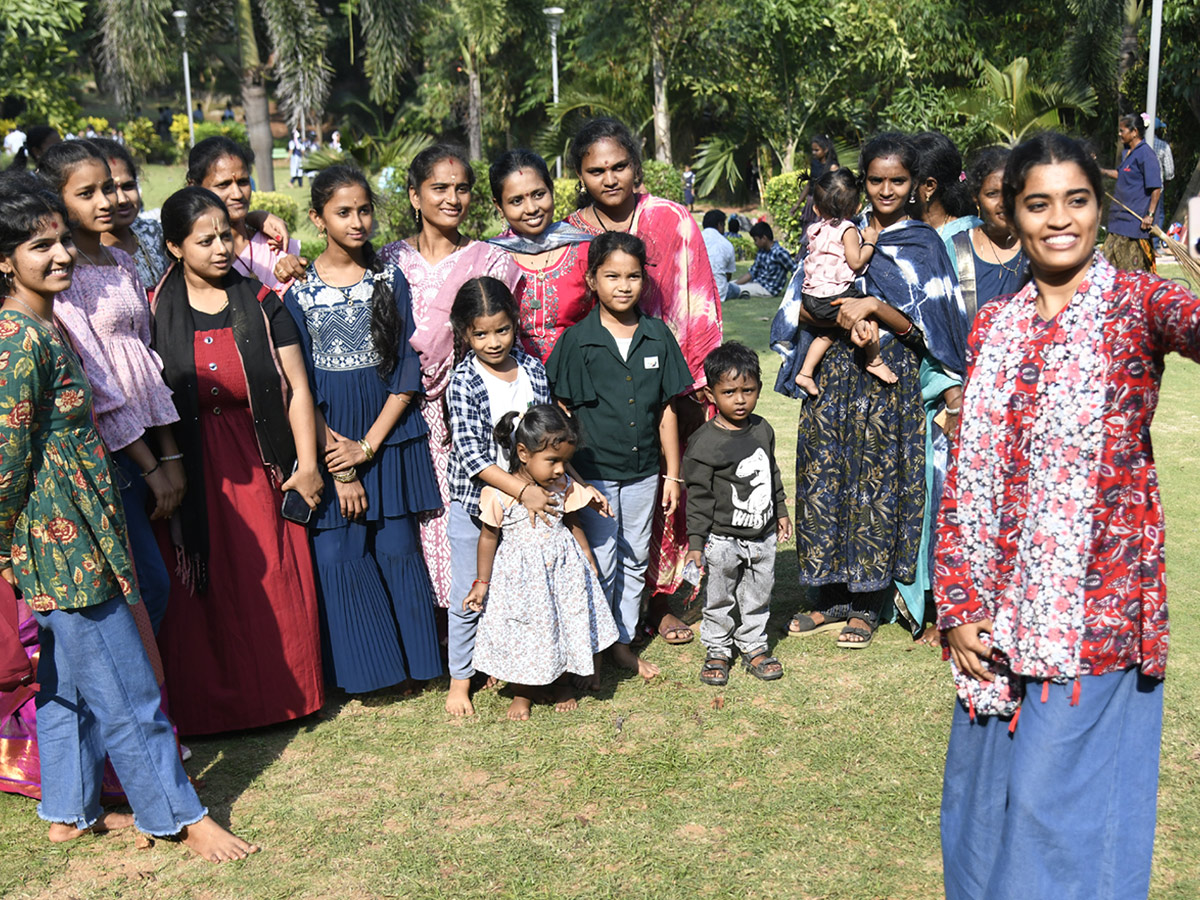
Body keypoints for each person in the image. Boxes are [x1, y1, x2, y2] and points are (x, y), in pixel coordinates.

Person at [936, 131, 1200, 900]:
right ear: (1010, 213)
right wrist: (957, 605)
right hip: (994, 618)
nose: (1059, 219)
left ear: (1101, 209)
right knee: (978, 820)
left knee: (1063, 823)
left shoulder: (1138, 304)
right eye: (1038, 202)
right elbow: (968, 474)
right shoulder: (997, 324)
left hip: (1094, 615)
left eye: (1077, 201)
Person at [0, 174, 257, 862]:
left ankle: (67, 812)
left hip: (79, 529)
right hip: (62, 543)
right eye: (38, 245)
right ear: (4, 261)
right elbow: (4, 462)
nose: (59, 255)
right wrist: (10, 551)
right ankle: (179, 814)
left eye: (60, 240)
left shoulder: (40, 325)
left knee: (66, 684)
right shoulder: (18, 342)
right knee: (128, 683)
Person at [152, 186, 325, 734]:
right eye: (205, 241)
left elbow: (297, 387)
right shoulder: (156, 309)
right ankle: (210, 707)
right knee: (205, 585)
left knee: (270, 574)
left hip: (260, 459)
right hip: (195, 464)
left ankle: (283, 697)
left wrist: (308, 463)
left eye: (225, 235)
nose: (221, 248)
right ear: (176, 247)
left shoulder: (262, 300)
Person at [781, 133, 966, 647]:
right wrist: (833, 314)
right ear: (862, 181)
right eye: (876, 180)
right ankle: (829, 598)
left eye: (898, 181)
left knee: (875, 484)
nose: (887, 190)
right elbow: (798, 300)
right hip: (831, 376)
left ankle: (867, 604)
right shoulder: (835, 230)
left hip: (888, 379)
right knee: (825, 479)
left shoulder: (922, 244)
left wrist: (877, 310)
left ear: (917, 187)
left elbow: (934, 328)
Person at [284, 166, 443, 694]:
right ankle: (362, 673)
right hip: (329, 440)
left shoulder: (387, 279)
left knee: (398, 545)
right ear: (317, 218)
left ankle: (418, 667)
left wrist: (369, 445)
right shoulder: (298, 294)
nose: (358, 222)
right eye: (343, 212)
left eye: (364, 210)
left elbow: (404, 371)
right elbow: (300, 385)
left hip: (389, 437)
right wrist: (341, 461)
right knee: (338, 551)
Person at [564, 117, 722, 643]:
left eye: (619, 166)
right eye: (596, 170)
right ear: (580, 176)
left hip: (668, 379)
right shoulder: (568, 234)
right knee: (605, 507)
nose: (610, 178)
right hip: (598, 386)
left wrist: (695, 378)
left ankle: (659, 599)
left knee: (663, 494)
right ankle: (596, 620)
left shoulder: (672, 220)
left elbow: (697, 299)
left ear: (636, 165)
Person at [37, 140, 182, 633]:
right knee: (146, 587)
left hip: (150, 439)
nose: (106, 201)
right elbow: (99, 381)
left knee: (160, 583)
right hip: (113, 450)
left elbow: (147, 362)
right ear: (58, 202)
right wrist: (150, 467)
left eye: (109, 187)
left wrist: (171, 455)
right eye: (87, 193)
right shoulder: (63, 275)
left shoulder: (121, 262)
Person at [378, 144, 520, 610]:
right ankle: (431, 626)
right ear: (415, 196)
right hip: (397, 411)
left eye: (462, 189)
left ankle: (477, 621)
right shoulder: (386, 261)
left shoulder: (492, 261)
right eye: (439, 188)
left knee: (468, 517)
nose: (452, 198)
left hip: (463, 415)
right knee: (415, 521)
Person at [546, 232, 693, 680]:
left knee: (633, 559)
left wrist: (672, 475)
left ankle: (623, 642)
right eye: (612, 276)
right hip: (595, 475)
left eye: (632, 276)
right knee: (601, 558)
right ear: (592, 280)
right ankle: (592, 644)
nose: (623, 285)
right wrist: (573, 478)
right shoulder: (577, 341)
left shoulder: (657, 336)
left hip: (645, 472)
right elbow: (561, 413)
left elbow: (668, 410)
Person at [465, 406, 619, 720]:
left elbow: (572, 520)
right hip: (521, 579)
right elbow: (488, 538)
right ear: (523, 453)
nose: (561, 469)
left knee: (563, 624)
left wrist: (587, 555)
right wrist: (482, 583)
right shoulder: (499, 494)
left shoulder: (561, 486)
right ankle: (524, 690)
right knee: (524, 630)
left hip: (563, 571)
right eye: (552, 461)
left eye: (565, 461)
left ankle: (562, 682)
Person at [445, 276, 554, 716]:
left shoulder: (532, 370)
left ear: (516, 324)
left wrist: (564, 484)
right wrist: (525, 489)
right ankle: (459, 680)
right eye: (481, 333)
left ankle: (518, 668)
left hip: (527, 505)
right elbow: (473, 456)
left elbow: (548, 435)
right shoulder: (464, 380)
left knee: (522, 593)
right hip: (476, 506)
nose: (493, 342)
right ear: (464, 333)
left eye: (503, 330)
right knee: (470, 592)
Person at [684, 342, 790, 686]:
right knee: (719, 596)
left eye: (749, 390)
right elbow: (698, 497)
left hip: (762, 536)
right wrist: (697, 543)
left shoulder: (763, 430)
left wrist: (782, 511)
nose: (740, 399)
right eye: (730, 392)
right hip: (722, 539)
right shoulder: (704, 443)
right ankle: (717, 650)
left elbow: (771, 474)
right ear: (711, 394)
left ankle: (754, 645)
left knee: (759, 593)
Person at [486, 149, 594, 361]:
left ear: (551, 190)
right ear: (499, 206)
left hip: (581, 378)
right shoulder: (490, 258)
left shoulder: (585, 250)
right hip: (514, 383)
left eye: (538, 194)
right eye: (516, 201)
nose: (531, 208)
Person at [791, 168, 891, 397]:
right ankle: (874, 360)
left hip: (812, 296)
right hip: (833, 294)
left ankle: (805, 373)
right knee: (869, 310)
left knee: (830, 333)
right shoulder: (847, 229)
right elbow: (856, 262)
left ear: (816, 208)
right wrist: (870, 242)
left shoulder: (815, 228)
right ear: (856, 208)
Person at [187, 136, 305, 292]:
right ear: (194, 186)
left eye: (243, 182)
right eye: (223, 185)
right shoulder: (187, 251)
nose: (237, 194)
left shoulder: (275, 245)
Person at [947, 146, 1028, 317]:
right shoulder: (956, 249)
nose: (1003, 202)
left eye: (1010, 192)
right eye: (992, 194)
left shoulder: (1036, 245)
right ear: (976, 197)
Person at [91, 138, 172, 295]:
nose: (122, 200)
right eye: (110, 189)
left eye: (128, 186)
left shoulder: (154, 233)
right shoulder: (83, 252)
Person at [1100, 113, 1163, 273]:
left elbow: (1156, 187)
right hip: (1118, 221)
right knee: (1108, 270)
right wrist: (1101, 171)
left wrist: (1150, 215)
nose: (1120, 134)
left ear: (1134, 132)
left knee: (1132, 274)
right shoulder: (1128, 153)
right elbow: (1121, 174)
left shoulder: (1146, 154)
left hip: (1134, 225)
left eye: (1122, 131)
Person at [909, 130, 981, 254]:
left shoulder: (970, 235)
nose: (892, 189)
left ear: (929, 186)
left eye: (901, 180)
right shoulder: (900, 229)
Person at [789, 134, 841, 247]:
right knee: (808, 233)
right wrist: (797, 204)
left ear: (826, 150)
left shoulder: (832, 167)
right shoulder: (814, 164)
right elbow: (809, 184)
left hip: (824, 205)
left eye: (816, 150)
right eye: (812, 150)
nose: (813, 153)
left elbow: (835, 189)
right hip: (811, 203)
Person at [733, 222, 794, 297]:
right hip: (756, 283)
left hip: (768, 289)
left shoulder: (779, 253)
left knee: (735, 289)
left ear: (764, 238)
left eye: (756, 240)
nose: (755, 243)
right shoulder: (761, 251)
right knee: (728, 285)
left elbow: (795, 270)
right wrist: (734, 284)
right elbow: (752, 273)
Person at [701, 209, 740, 301]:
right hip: (719, 292)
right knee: (736, 289)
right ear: (720, 225)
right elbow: (728, 275)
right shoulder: (727, 244)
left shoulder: (694, 239)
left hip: (697, 291)